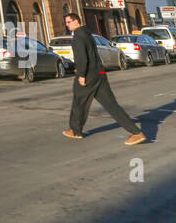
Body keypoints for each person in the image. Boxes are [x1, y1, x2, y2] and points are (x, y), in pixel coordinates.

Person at [62, 13, 147, 145]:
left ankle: (75, 130)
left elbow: (82, 58)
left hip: (88, 75)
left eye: (69, 22)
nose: (67, 25)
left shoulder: (78, 36)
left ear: (76, 21)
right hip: (99, 72)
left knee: (79, 102)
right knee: (111, 105)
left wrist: (81, 75)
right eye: (66, 22)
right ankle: (136, 133)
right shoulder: (87, 33)